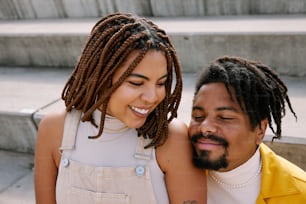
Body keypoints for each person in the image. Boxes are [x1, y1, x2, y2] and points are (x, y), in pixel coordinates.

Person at [34, 12, 206, 204]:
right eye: (136, 83)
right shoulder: (54, 130)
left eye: (161, 83)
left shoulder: (171, 138)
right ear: (100, 77)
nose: (152, 97)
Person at [188, 56, 306, 204]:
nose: (205, 127)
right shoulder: (175, 169)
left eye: (225, 117)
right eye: (198, 116)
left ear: (260, 130)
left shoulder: (299, 194)